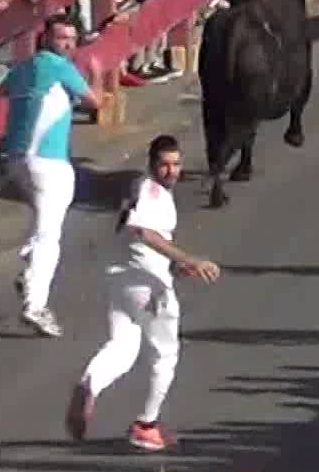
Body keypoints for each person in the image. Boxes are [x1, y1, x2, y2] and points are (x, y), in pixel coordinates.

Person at [66, 135, 218, 452]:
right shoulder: (151, 192)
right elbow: (143, 232)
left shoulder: (144, 191)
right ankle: (146, 425)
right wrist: (189, 259)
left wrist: (177, 269)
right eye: (164, 164)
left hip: (120, 281)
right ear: (151, 164)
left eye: (176, 164)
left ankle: (89, 383)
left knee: (124, 344)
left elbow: (139, 241)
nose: (171, 171)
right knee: (166, 354)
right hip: (148, 285)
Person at [0, 15, 103, 337]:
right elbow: (96, 102)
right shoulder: (62, 67)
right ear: (46, 39)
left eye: (71, 39)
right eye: (62, 38)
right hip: (49, 163)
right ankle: (35, 303)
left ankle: (30, 272)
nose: (67, 44)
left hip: (16, 161)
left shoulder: (20, 68)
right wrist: (97, 73)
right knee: (50, 237)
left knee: (42, 223)